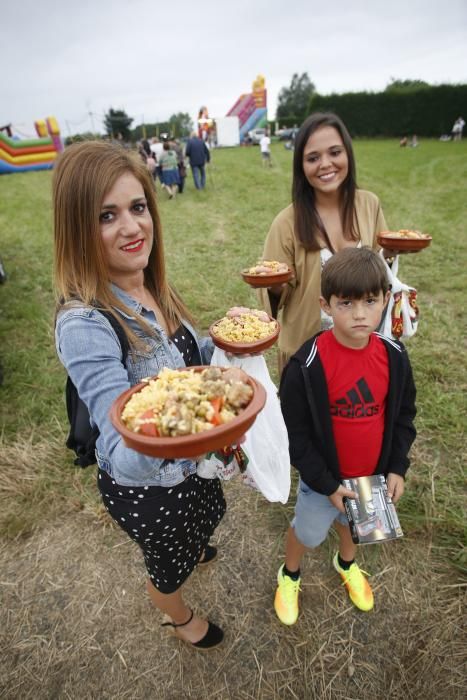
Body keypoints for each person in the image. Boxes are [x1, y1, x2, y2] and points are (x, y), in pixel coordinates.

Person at [53, 141, 227, 649]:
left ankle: (197, 547)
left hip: (194, 469)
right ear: (76, 230)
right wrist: (189, 422)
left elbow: (184, 356)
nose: (132, 227)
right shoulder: (85, 323)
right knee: (167, 567)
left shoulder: (151, 283)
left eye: (138, 207)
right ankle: (180, 617)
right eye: (107, 216)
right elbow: (124, 455)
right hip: (154, 492)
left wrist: (228, 340)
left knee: (205, 519)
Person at [274, 247, 417, 624]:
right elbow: (295, 435)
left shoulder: (395, 356)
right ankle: (289, 573)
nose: (359, 314)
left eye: (370, 301)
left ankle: (346, 563)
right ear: (325, 304)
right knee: (307, 534)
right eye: (346, 302)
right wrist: (326, 484)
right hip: (324, 483)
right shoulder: (306, 366)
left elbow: (403, 416)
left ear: (386, 299)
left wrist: (397, 468)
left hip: (372, 478)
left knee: (355, 528)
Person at [258, 112, 390, 375]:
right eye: (313, 158)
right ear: (301, 165)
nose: (326, 164)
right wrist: (274, 285)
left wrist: (392, 254)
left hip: (362, 345)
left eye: (335, 152)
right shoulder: (286, 222)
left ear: (348, 154)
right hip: (309, 356)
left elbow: (382, 267)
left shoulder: (369, 204)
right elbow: (270, 300)